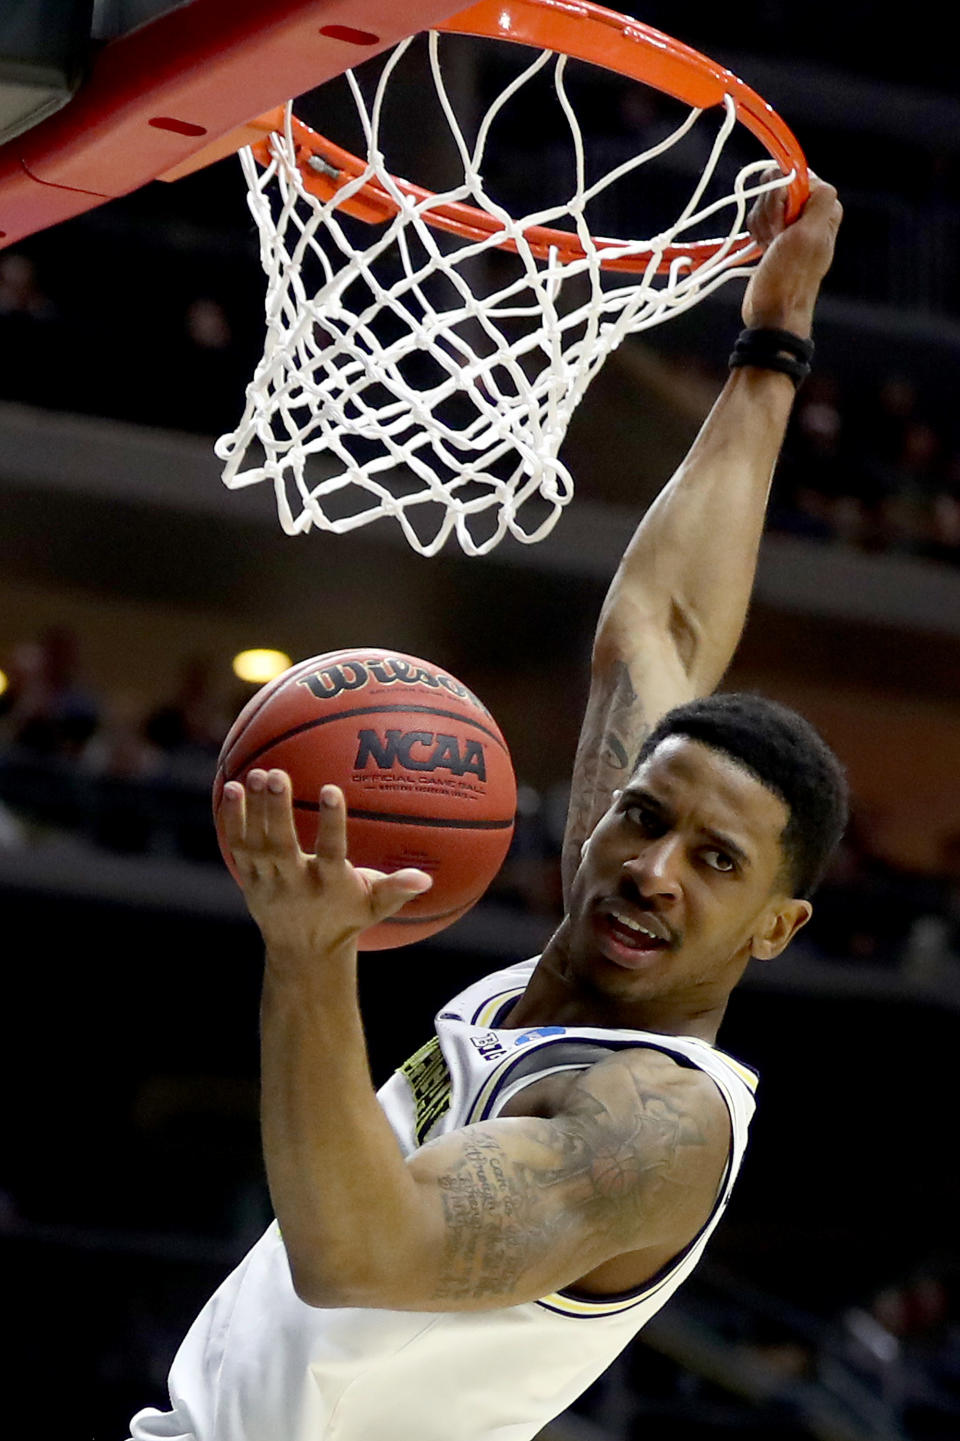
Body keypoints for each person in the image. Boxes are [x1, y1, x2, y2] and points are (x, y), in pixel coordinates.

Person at [129, 173, 846, 1441]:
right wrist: (773, 344)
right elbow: (655, 631)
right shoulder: (599, 926)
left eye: (717, 860)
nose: (651, 867)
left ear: (774, 927)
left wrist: (311, 956)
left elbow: (362, 1250)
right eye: (641, 817)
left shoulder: (657, 1124)